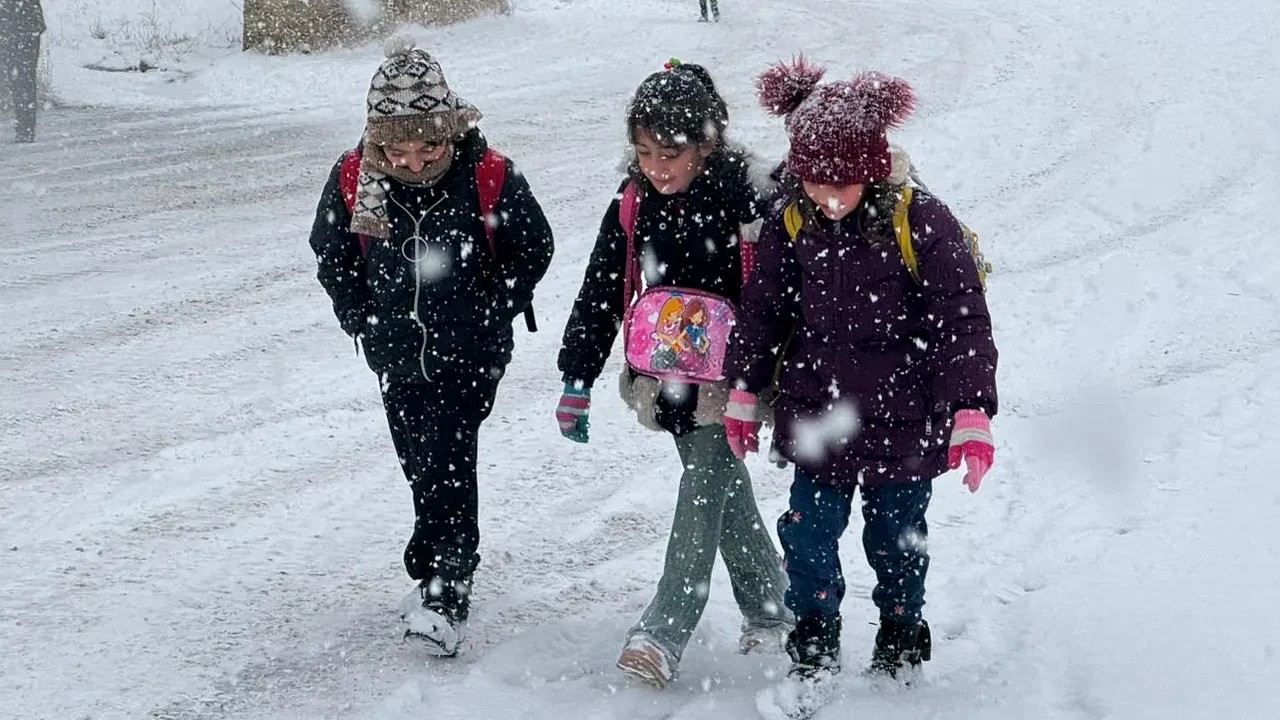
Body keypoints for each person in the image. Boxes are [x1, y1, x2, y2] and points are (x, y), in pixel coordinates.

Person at [724, 58, 999, 695]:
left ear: (871, 170)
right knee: (809, 535)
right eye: (815, 181)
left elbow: (962, 319)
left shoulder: (921, 221)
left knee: (897, 539)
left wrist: (971, 411)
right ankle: (814, 640)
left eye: (842, 184)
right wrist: (744, 390)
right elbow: (763, 309)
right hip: (817, 416)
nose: (828, 197)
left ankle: (901, 635)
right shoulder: (792, 221)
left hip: (905, 419)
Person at [309, 36, 553, 656]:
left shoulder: (487, 173)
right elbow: (331, 254)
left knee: (448, 446)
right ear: (378, 141)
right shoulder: (355, 177)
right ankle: (432, 549)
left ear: (450, 131)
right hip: (394, 349)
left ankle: (449, 582)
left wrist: (491, 309)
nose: (415, 163)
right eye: (399, 149)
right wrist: (358, 314)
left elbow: (535, 248)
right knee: (417, 452)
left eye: (428, 147)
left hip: (471, 350)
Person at [555, 60, 793, 688]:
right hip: (666, 375)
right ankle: (771, 609)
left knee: (705, 481)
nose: (656, 166)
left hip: (735, 376)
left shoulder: (749, 194)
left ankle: (663, 631)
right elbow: (602, 287)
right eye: (643, 151)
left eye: (670, 152)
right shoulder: (634, 200)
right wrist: (576, 375)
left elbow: (785, 288)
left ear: (708, 143)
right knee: (717, 485)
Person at [0, 0, 45, 143]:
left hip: (25, 49)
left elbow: (39, 25)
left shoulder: (29, 3)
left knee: (25, 87)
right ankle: (23, 127)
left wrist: (25, 37)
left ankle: (26, 128)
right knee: (18, 87)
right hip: (12, 48)